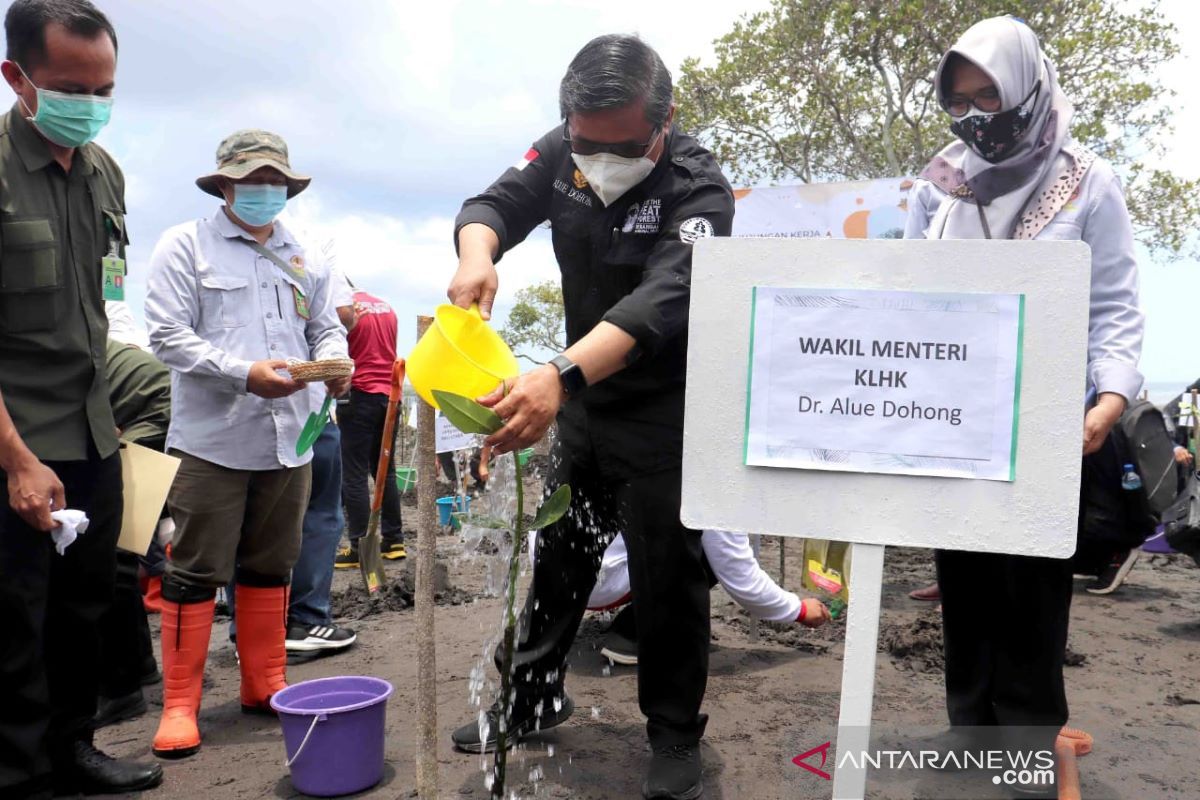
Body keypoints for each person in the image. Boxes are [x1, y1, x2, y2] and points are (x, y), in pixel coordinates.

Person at [446, 34, 734, 800]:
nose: (599, 161)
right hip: (579, 404)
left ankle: (674, 735)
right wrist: (480, 254)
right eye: (584, 144)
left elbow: (663, 301)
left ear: (663, 122)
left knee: (667, 578)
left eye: (624, 146)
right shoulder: (561, 153)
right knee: (560, 555)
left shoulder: (699, 187)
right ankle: (532, 697)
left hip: (664, 411)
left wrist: (561, 375)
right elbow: (492, 205)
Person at [905, 16, 1143, 792]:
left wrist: (1110, 398)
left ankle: (1034, 746)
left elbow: (1113, 308)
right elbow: (909, 296)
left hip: (1046, 427)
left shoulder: (1089, 182)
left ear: (1030, 89)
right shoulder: (941, 186)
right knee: (965, 585)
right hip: (954, 423)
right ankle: (971, 733)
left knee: (1031, 595)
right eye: (960, 101)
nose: (976, 116)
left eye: (990, 95)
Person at [0, 1, 164, 795]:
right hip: (15, 433)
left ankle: (74, 750)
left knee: (83, 608)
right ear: (16, 78)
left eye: (105, 89)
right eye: (71, 87)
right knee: (13, 621)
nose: (91, 105)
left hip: (93, 428)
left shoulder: (103, 171)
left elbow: (106, 299)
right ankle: (21, 772)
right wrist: (17, 460)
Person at [144, 129, 350, 758]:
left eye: (274, 182)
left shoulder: (307, 251)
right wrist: (243, 372)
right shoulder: (186, 245)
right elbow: (166, 335)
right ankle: (181, 703)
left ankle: (264, 681)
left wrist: (334, 360)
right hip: (212, 439)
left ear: (287, 187)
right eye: (252, 181)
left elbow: (326, 325)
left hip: (292, 439)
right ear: (225, 184)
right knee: (196, 567)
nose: (264, 192)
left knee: (271, 561)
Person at [227, 236, 358, 654]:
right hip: (281, 408)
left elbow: (330, 328)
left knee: (253, 516)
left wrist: (334, 360)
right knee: (314, 511)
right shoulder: (317, 253)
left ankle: (252, 628)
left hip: (285, 408)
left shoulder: (217, 250)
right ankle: (304, 619)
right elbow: (342, 316)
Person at [569, 530, 832, 665]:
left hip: (557, 572)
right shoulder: (714, 459)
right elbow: (738, 573)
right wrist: (797, 610)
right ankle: (632, 633)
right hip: (603, 580)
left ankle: (544, 632)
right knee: (706, 549)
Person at [93, 338, 171, 729]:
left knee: (112, 551)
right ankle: (140, 665)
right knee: (122, 546)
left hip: (154, 413)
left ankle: (121, 690)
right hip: (153, 404)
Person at [334, 283, 406, 568]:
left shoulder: (347, 309)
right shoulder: (387, 308)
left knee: (353, 473)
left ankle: (359, 546)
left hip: (358, 395)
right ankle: (394, 540)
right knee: (385, 471)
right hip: (390, 395)